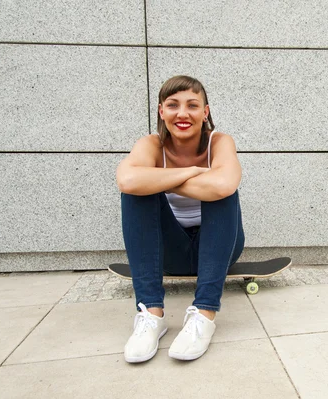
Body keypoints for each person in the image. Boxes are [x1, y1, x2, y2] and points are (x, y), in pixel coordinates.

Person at [116, 75, 245, 363]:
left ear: (205, 112)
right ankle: (150, 314)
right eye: (173, 105)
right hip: (169, 251)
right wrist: (194, 173)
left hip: (218, 247)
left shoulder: (220, 141)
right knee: (135, 193)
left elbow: (223, 185)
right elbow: (127, 180)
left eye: (192, 105)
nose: (183, 113)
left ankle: (204, 313)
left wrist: (157, 180)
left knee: (222, 193)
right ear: (161, 111)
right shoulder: (151, 144)